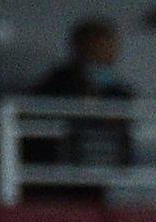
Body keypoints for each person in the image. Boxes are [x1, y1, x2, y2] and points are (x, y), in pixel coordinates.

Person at [26, 17, 133, 172]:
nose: (108, 54)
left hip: (108, 172)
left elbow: (123, 127)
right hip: (61, 173)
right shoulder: (56, 84)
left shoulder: (119, 92)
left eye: (110, 47)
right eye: (99, 47)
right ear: (81, 47)